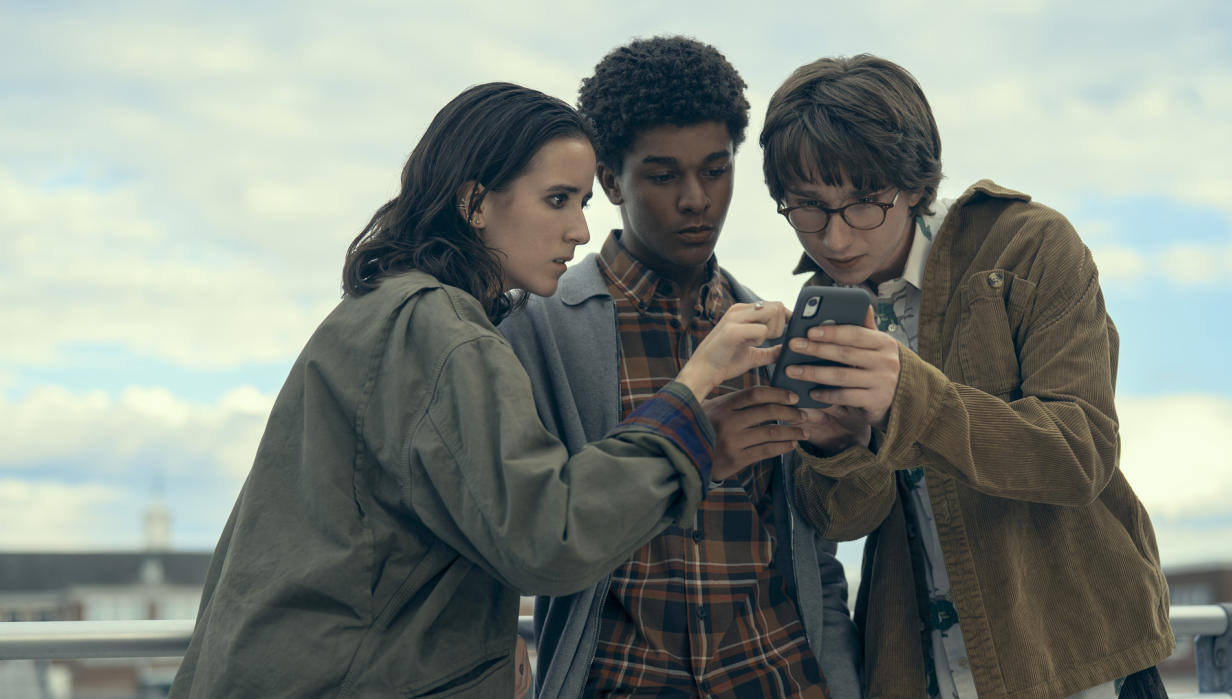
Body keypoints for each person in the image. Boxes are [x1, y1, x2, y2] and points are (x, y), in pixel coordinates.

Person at [168, 82, 790, 698]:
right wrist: (694, 400)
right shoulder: (446, 335)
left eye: (581, 204)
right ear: (474, 203)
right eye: (556, 200)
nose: (577, 230)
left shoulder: (381, 312)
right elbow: (549, 537)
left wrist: (487, 641)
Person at [758, 55, 1174, 698]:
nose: (835, 237)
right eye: (808, 208)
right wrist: (835, 446)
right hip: (920, 667)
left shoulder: (1029, 243)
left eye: (864, 204)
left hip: (1071, 662)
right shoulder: (819, 310)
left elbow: (1079, 453)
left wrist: (907, 397)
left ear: (916, 185)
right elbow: (844, 521)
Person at [500, 37, 861, 698]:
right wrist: (692, 442)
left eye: (716, 169)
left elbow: (813, 554)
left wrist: (839, 443)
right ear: (610, 179)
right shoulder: (538, 328)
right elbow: (524, 530)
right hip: (623, 680)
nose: (696, 198)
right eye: (663, 175)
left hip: (778, 675)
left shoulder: (767, 329)